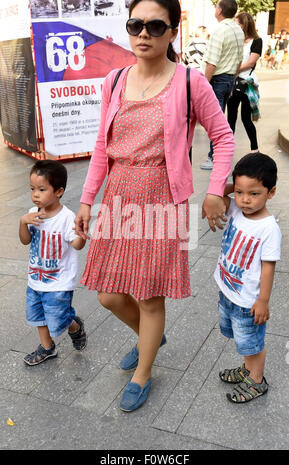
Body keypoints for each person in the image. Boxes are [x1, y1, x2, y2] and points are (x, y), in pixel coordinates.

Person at [75, 0, 234, 412]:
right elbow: (100, 148)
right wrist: (87, 200)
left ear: (172, 31)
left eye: (154, 25)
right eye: (135, 24)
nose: (143, 33)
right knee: (108, 294)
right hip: (118, 194)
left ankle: (143, 371)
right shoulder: (114, 80)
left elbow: (223, 135)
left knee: (149, 297)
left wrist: (216, 187)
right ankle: (151, 335)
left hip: (161, 195)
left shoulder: (189, 82)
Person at [215, 153, 281, 403]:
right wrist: (236, 185)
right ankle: (248, 369)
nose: (245, 199)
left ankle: (256, 380)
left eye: (254, 193)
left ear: (270, 192)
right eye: (240, 192)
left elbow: (268, 267)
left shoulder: (269, 228)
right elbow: (217, 190)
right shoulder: (235, 208)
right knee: (243, 343)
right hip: (228, 292)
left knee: (252, 343)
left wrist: (263, 301)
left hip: (248, 303)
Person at [19, 160, 87, 366]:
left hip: (58, 282)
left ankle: (74, 326)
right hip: (35, 279)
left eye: (41, 189)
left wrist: (81, 234)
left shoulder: (66, 218)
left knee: (58, 318)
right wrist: (23, 221)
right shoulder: (33, 213)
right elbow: (25, 240)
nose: (35, 195)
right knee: (38, 315)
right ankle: (47, 347)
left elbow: (76, 245)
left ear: (58, 192)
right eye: (32, 189)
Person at [200, 0, 244, 170]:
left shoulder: (220, 30)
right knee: (220, 120)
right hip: (228, 79)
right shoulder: (238, 30)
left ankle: (214, 157)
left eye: (216, 6)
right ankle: (220, 155)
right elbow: (239, 60)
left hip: (217, 80)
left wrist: (203, 84)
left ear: (220, 10)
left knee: (214, 121)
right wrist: (232, 80)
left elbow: (212, 62)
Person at [227, 12, 262, 154]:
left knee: (246, 119)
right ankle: (227, 148)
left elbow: (251, 62)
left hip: (248, 84)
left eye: (238, 23)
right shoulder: (235, 40)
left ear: (245, 24)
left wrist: (234, 70)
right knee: (230, 119)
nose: (236, 26)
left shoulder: (257, 41)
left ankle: (255, 148)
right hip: (233, 84)